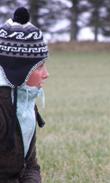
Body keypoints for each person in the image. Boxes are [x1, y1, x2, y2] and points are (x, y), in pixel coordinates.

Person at [0, 7, 49, 183]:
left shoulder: (24, 100)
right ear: (19, 71)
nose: (46, 74)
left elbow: (30, 165)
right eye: (39, 67)